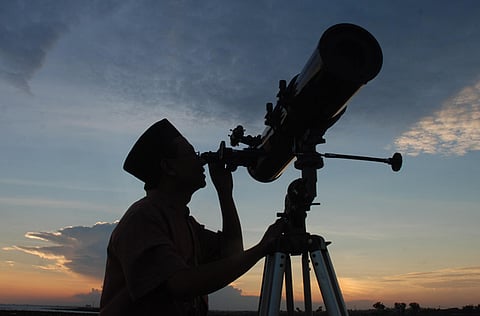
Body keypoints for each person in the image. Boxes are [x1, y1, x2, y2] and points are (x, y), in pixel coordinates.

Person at [100, 119, 284, 316]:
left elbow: (232, 253)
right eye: (191, 154)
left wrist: (225, 194)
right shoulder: (142, 219)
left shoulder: (185, 222)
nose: (201, 160)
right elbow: (181, 285)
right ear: (168, 167)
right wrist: (260, 250)